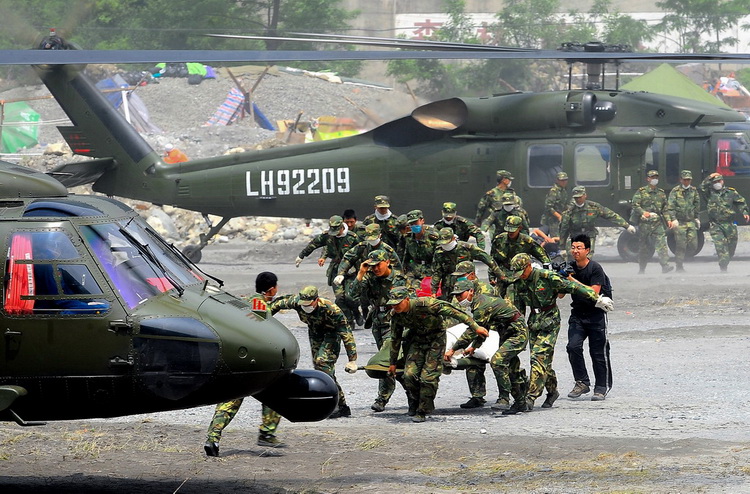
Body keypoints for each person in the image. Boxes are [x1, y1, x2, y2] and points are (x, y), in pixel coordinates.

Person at [506, 253, 607, 411]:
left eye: (522, 272)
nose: (521, 276)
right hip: (534, 322)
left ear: (529, 266)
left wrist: (596, 298)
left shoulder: (547, 277)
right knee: (542, 361)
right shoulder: (519, 282)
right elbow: (518, 309)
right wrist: (516, 328)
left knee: (538, 359)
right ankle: (552, 391)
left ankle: (530, 398)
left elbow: (573, 287)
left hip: (550, 321)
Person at [205, 272, 285, 456]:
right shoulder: (262, 306)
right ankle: (267, 433)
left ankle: (213, 437)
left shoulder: (242, 301)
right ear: (272, 288)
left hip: (234, 358)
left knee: (229, 401)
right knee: (275, 390)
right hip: (254, 361)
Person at [386, 285, 487, 423]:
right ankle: (415, 402)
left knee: (428, 378)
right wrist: (392, 363)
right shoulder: (396, 316)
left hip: (436, 341)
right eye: (393, 305)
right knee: (409, 375)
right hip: (417, 342)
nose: (395, 307)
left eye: (398, 303)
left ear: (407, 299)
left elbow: (456, 313)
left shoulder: (426, 304)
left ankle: (423, 410)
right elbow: (395, 339)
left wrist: (476, 328)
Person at [271, 286, 358, 419]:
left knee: (322, 363)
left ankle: (333, 405)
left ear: (316, 300)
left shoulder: (331, 309)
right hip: (315, 333)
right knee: (321, 369)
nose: (305, 307)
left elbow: (346, 332)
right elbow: (277, 304)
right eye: (303, 304)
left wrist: (352, 359)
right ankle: (342, 406)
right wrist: (263, 317)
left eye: (308, 304)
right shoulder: (297, 302)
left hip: (331, 334)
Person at [444, 279, 529, 415]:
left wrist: (453, 349)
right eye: (456, 296)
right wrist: (475, 346)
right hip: (506, 333)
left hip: (517, 333)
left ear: (471, 291)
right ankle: (520, 403)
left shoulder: (481, 305)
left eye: (460, 295)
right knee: (511, 368)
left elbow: (472, 331)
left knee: (497, 361)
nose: (458, 298)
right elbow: (484, 328)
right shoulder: (478, 303)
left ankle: (504, 399)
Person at [351, 249, 408, 412]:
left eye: (378, 265)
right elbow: (352, 295)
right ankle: (407, 395)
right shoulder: (370, 278)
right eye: (373, 266)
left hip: (394, 321)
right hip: (377, 321)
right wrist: (361, 273)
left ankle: (384, 397)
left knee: (388, 358)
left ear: (388, 262)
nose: (376, 269)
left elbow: (407, 301)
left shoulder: (399, 279)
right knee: (388, 361)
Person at [565, 235, 615, 401]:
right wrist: (559, 277)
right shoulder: (570, 267)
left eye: (579, 248)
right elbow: (559, 295)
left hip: (596, 315)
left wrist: (571, 280)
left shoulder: (595, 268)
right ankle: (582, 382)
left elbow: (593, 292)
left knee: (598, 352)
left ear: (587, 250)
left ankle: (601, 386)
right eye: (573, 247)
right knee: (573, 347)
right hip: (578, 314)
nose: (575, 251)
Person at [295, 215, 360, 326]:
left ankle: (356, 312)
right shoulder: (328, 236)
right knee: (339, 298)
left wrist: (362, 270)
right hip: (336, 269)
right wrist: (302, 255)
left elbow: (361, 253)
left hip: (351, 270)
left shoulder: (352, 237)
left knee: (350, 297)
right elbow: (314, 244)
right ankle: (349, 320)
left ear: (341, 227)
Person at [559, 186, 636, 255]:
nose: (578, 199)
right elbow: (564, 229)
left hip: (589, 235)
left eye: (580, 197)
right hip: (575, 236)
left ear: (585, 196)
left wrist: (627, 226)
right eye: (576, 198)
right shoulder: (569, 211)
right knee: (573, 259)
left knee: (587, 259)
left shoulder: (594, 207)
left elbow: (611, 215)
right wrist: (562, 247)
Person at [431, 227, 503, 300]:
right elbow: (437, 272)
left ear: (453, 238)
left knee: (476, 301)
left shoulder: (466, 248)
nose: (445, 245)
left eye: (447, 242)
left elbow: (487, 259)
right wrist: (434, 291)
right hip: (448, 285)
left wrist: (499, 274)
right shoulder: (439, 253)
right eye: (443, 243)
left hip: (467, 280)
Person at [699, 172, 749, 272]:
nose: (717, 183)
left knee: (731, 248)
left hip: (729, 224)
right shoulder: (709, 193)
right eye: (715, 182)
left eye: (719, 181)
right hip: (716, 225)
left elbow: (741, 202)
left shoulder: (731, 192)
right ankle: (723, 267)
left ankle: (725, 261)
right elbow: (702, 187)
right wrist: (710, 176)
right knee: (720, 246)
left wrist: (745, 212)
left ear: (722, 181)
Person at [490, 215, 550, 297]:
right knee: (496, 299)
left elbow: (542, 255)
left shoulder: (527, 241)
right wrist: (492, 276)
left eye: (513, 230)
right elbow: (492, 260)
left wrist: (548, 271)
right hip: (503, 274)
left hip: (521, 275)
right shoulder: (499, 240)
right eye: (508, 230)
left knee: (519, 300)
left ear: (520, 228)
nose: (510, 232)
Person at [631, 170, 674, 274]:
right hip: (645, 223)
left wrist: (668, 219)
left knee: (662, 244)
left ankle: (665, 266)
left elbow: (665, 208)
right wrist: (643, 212)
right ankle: (642, 268)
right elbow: (635, 204)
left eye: (656, 177)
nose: (654, 179)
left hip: (657, 223)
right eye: (652, 177)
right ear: (648, 179)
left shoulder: (661, 193)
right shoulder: (641, 192)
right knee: (643, 247)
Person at [666, 170, 701, 272]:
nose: (687, 182)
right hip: (680, 222)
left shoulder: (693, 191)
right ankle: (679, 266)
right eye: (685, 180)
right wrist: (673, 219)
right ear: (681, 180)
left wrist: (697, 218)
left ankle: (686, 257)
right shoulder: (675, 191)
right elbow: (670, 207)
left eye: (689, 180)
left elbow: (697, 205)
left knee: (694, 245)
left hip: (690, 221)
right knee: (681, 245)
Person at [402, 209, 440, 285]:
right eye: (411, 224)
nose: (414, 226)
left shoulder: (433, 237)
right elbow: (405, 257)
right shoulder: (408, 237)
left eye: (415, 222)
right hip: (413, 271)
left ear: (422, 221)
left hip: (430, 272)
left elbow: (439, 259)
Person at [541, 171, 570, 237]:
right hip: (552, 219)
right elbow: (548, 207)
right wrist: (559, 216)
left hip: (559, 218)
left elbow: (563, 204)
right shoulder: (554, 191)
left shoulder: (563, 191)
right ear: (557, 180)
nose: (564, 182)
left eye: (565, 180)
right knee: (556, 238)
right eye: (562, 180)